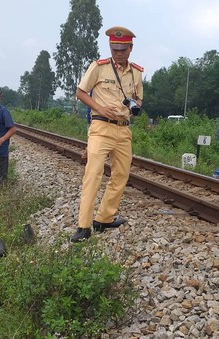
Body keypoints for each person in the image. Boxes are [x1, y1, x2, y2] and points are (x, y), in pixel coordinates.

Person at [70, 25, 144, 243]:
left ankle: (104, 218)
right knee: (93, 175)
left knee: (121, 175)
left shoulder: (137, 73)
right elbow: (81, 92)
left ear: (130, 48)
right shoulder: (99, 67)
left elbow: (139, 98)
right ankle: (83, 226)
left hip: (123, 130)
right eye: (114, 48)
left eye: (122, 49)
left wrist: (134, 105)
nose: (118, 53)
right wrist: (100, 108)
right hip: (101, 128)